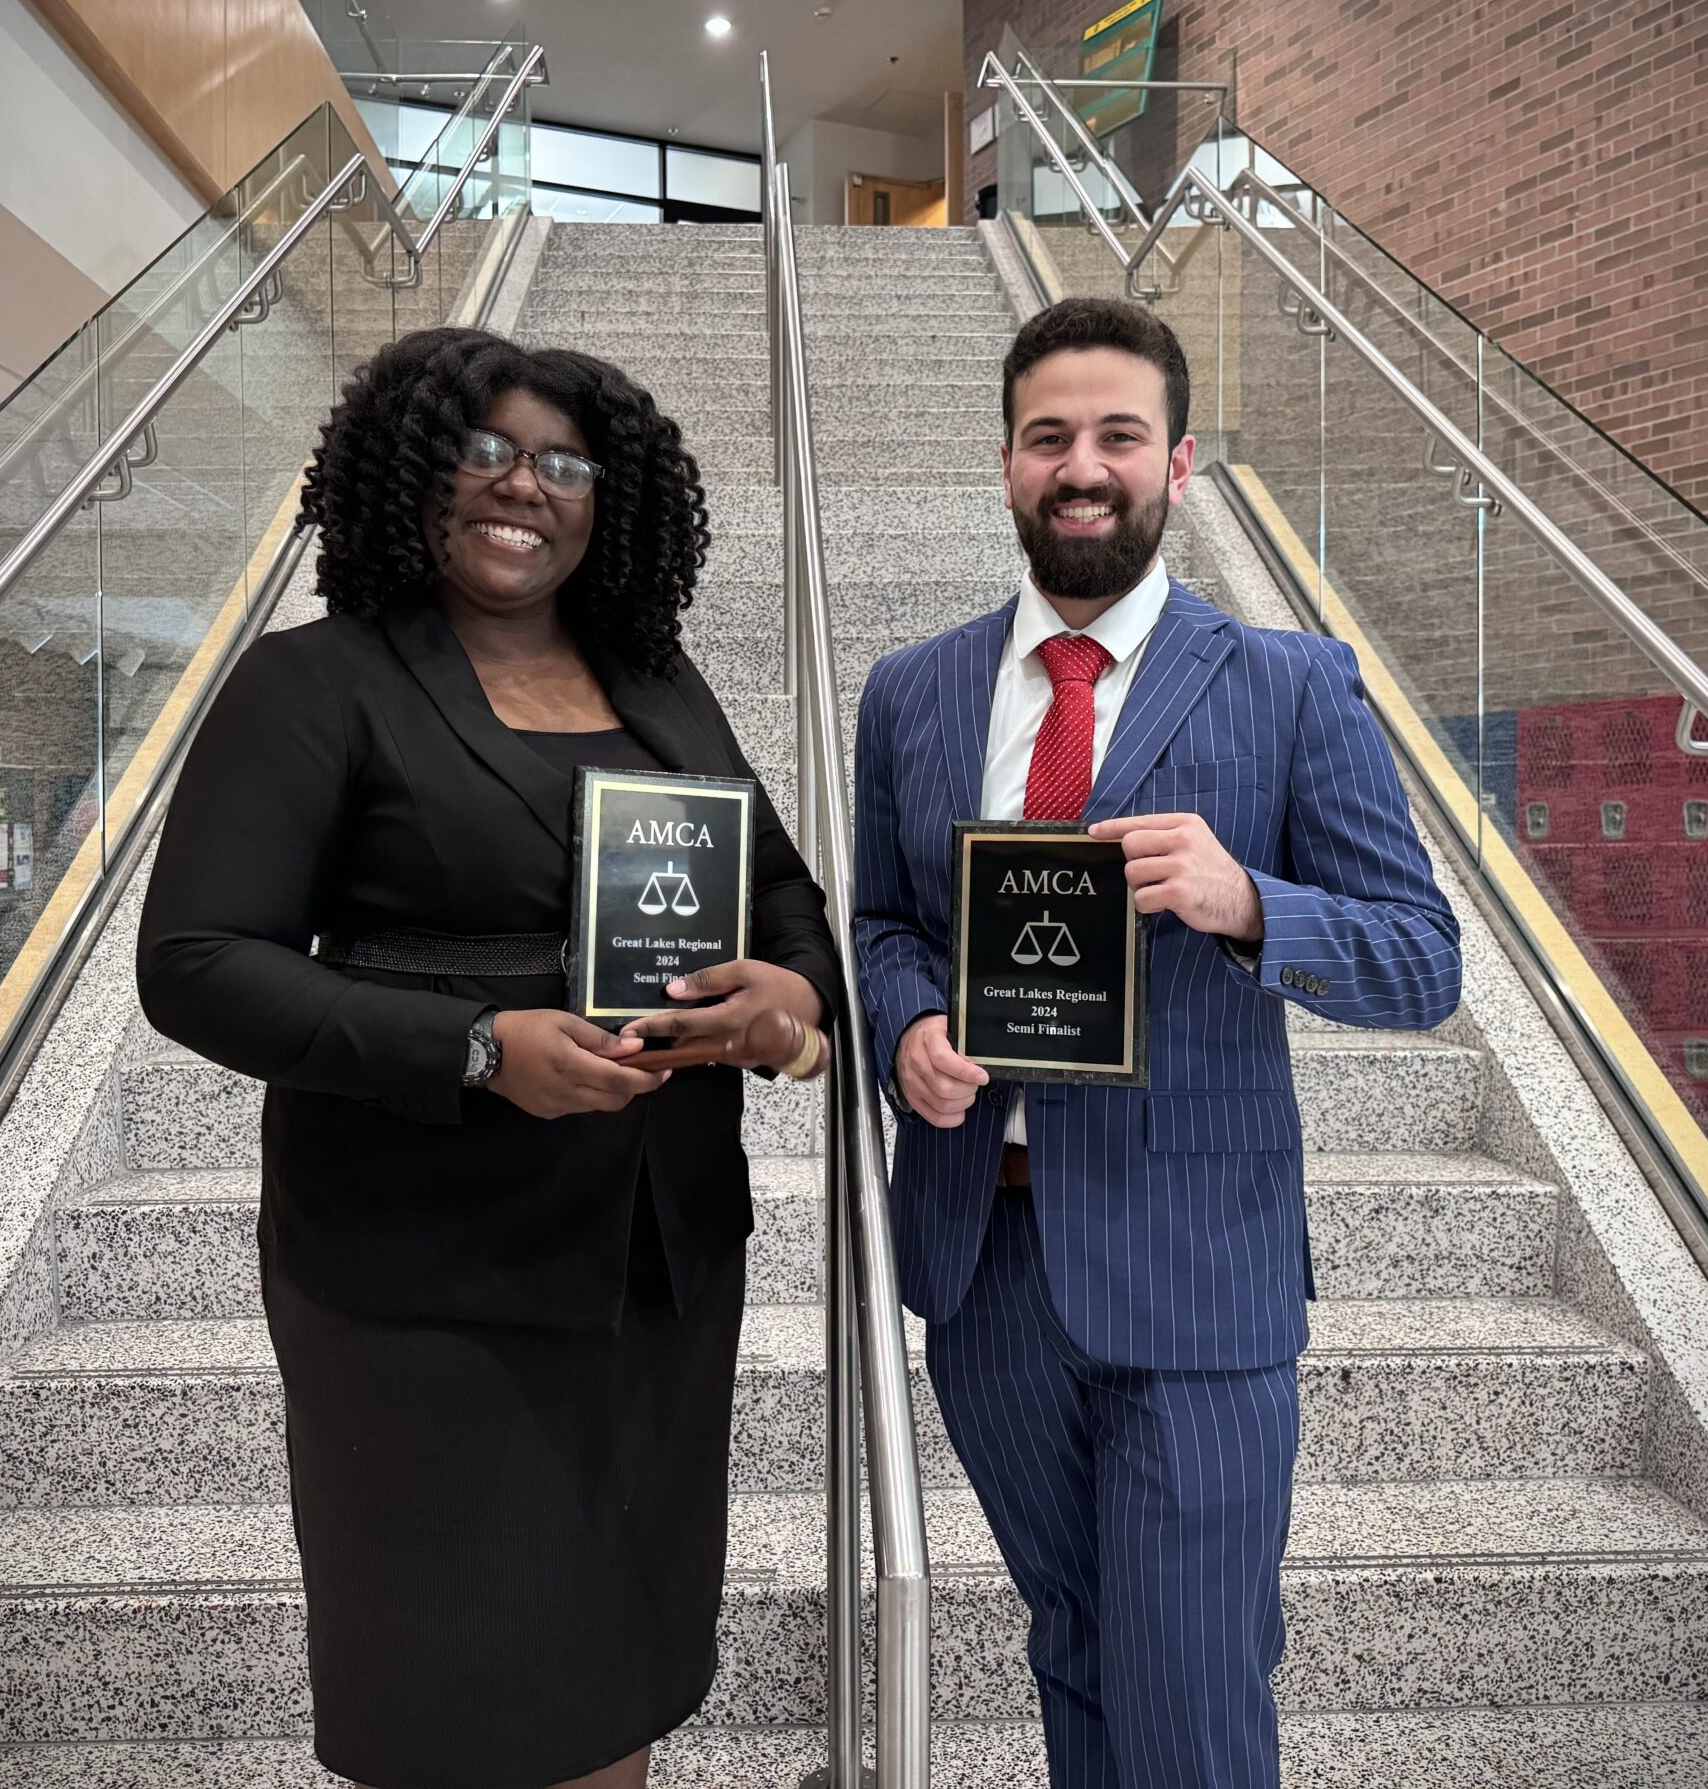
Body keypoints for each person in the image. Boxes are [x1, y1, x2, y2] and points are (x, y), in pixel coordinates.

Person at [137, 328, 844, 1789]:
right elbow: (197, 965)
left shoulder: (657, 681)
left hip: (657, 1264)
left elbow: (781, 892)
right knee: (457, 1688)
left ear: (611, 498)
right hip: (426, 1283)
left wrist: (791, 1005)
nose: (527, 486)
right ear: (414, 470)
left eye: (567, 462)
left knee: (611, 1667)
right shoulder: (313, 683)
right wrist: (472, 1048)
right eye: (487, 449)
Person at [851, 297, 1463, 1786]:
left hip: (1199, 1267)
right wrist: (908, 1025)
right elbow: (877, 922)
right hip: (986, 1265)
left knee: (1190, 1686)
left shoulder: (1291, 683)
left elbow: (1423, 960)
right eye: (1050, 436)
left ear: (1176, 462)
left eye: (1119, 435)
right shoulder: (914, 690)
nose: (1084, 464)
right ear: (1006, 464)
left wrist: (1250, 901)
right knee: (1074, 1645)